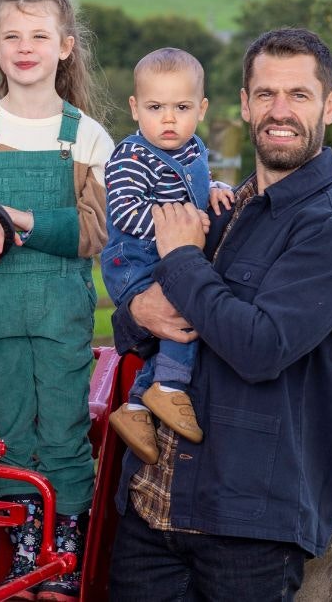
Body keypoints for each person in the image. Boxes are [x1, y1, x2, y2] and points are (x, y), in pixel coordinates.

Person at [107, 28, 332, 601]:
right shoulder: (222, 207)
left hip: (246, 529)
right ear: (245, 104)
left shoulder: (330, 230)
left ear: (330, 104)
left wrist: (180, 259)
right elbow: (139, 327)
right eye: (266, 94)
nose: (281, 111)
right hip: (154, 510)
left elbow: (260, 347)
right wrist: (136, 311)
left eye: (299, 95)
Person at [0, 0, 114, 602]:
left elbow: (94, 231)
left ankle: (63, 549)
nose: (24, 47)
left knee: (62, 424)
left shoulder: (86, 136)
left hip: (61, 306)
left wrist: (18, 218)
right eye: (11, 35)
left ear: (66, 47)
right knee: (8, 425)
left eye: (39, 35)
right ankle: (23, 545)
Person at [102, 48, 234, 463]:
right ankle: (172, 388)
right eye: (156, 107)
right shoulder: (131, 157)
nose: (169, 119)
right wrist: (177, 230)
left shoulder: (192, 148)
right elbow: (122, 211)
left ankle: (138, 407)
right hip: (136, 259)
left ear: (202, 108)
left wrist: (211, 190)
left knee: (174, 321)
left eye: (182, 107)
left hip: (168, 255)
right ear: (135, 108)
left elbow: (195, 182)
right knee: (184, 309)